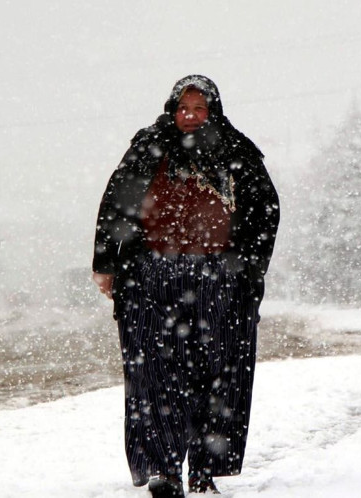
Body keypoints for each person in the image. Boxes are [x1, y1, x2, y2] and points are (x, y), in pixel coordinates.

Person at [92, 74, 280, 498]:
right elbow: (116, 204)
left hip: (219, 278)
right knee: (152, 375)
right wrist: (106, 263)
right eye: (184, 108)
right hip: (149, 277)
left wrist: (250, 268)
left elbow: (266, 212)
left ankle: (204, 468)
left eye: (199, 109)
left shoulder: (237, 151)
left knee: (215, 373)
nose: (190, 116)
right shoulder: (148, 148)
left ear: (213, 111)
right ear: (172, 109)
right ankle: (161, 469)